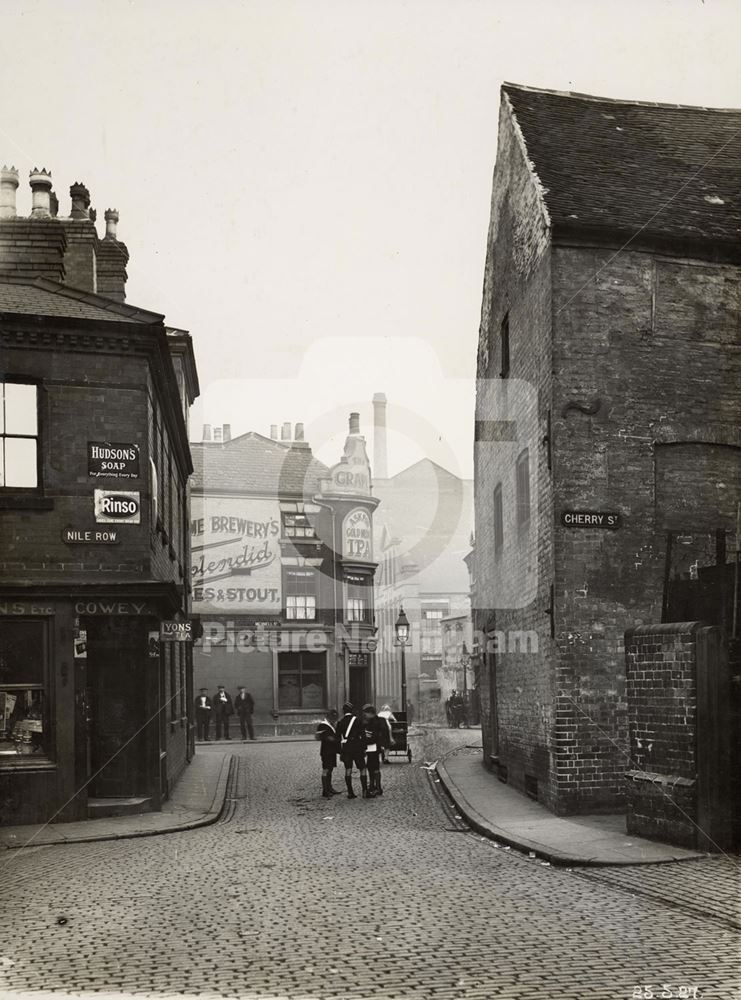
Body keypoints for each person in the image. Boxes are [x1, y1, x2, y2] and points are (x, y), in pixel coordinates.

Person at [336, 702, 368, 799]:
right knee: (362, 768)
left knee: (348, 769)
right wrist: (364, 748)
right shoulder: (357, 721)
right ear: (352, 710)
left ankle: (350, 792)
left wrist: (340, 751)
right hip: (357, 747)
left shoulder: (340, 722)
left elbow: (337, 738)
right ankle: (365, 791)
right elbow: (363, 735)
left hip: (346, 748)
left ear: (343, 711)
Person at [362, 704, 389, 797]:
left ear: (370, 713)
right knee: (371, 767)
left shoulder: (374, 722)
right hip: (373, 747)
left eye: (365, 713)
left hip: (374, 747)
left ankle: (377, 787)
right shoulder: (380, 720)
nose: (364, 715)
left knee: (374, 767)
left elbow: (377, 735)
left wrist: (366, 740)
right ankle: (374, 786)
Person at [315, 708, 340, 798]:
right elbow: (324, 737)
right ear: (328, 717)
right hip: (326, 751)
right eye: (333, 718)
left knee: (330, 769)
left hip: (331, 751)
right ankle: (325, 791)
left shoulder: (331, 725)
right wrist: (337, 740)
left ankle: (329, 788)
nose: (334, 720)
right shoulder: (323, 725)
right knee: (326, 769)